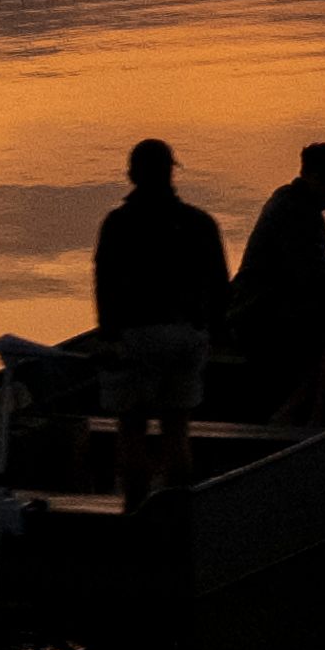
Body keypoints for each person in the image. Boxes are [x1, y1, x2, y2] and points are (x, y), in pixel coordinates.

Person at [88, 138, 230, 488]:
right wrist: (209, 330)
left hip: (136, 335)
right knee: (177, 431)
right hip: (185, 335)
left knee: (132, 430)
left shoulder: (118, 224)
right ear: (171, 174)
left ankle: (136, 512)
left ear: (131, 175)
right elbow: (219, 286)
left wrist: (108, 337)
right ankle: (179, 513)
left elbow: (104, 284)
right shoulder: (199, 223)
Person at [232, 139, 325, 423]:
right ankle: (316, 419)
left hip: (268, 303)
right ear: (306, 175)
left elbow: (306, 260)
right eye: (323, 180)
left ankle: (293, 411)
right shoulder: (298, 212)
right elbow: (315, 280)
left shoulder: (288, 199)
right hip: (257, 312)